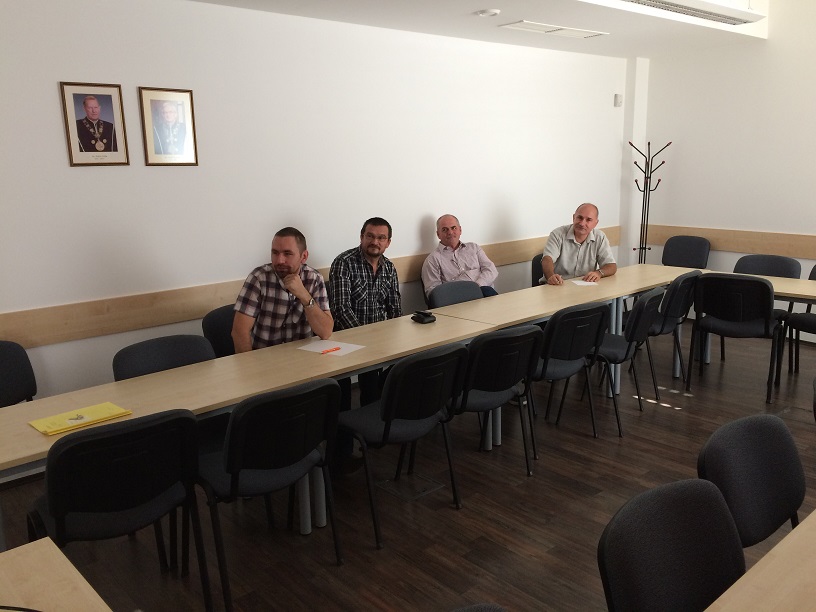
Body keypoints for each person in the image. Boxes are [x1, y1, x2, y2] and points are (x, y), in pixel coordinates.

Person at [328, 217, 402, 469]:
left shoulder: (389, 267)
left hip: (377, 344)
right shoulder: (343, 263)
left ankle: (371, 438)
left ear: (388, 242)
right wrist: (366, 342)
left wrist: (397, 338)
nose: (375, 242)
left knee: (373, 389)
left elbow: (395, 308)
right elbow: (340, 310)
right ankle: (341, 453)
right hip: (344, 342)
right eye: (370, 236)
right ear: (361, 237)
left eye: (381, 238)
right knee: (342, 398)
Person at [232, 227, 333, 352]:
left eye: (287, 254)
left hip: (304, 357)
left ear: (304, 256)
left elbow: (326, 332)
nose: (279, 260)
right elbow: (239, 332)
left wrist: (304, 295)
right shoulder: (259, 278)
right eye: (275, 253)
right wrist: (249, 364)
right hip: (265, 357)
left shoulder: (314, 278)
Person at [421, 214, 498, 300]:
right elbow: (433, 293)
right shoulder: (432, 260)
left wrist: (477, 287)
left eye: (453, 228)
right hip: (458, 301)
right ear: (438, 234)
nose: (450, 232)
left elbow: (491, 270)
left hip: (484, 294)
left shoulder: (474, 248)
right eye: (445, 230)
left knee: (490, 292)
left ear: (460, 230)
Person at [540, 203, 617, 285]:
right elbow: (547, 259)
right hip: (558, 284)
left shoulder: (600, 237)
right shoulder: (557, 234)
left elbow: (611, 266)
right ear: (574, 217)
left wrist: (599, 273)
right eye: (580, 218)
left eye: (588, 220)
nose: (582, 223)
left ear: (596, 223)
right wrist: (551, 276)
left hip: (585, 285)